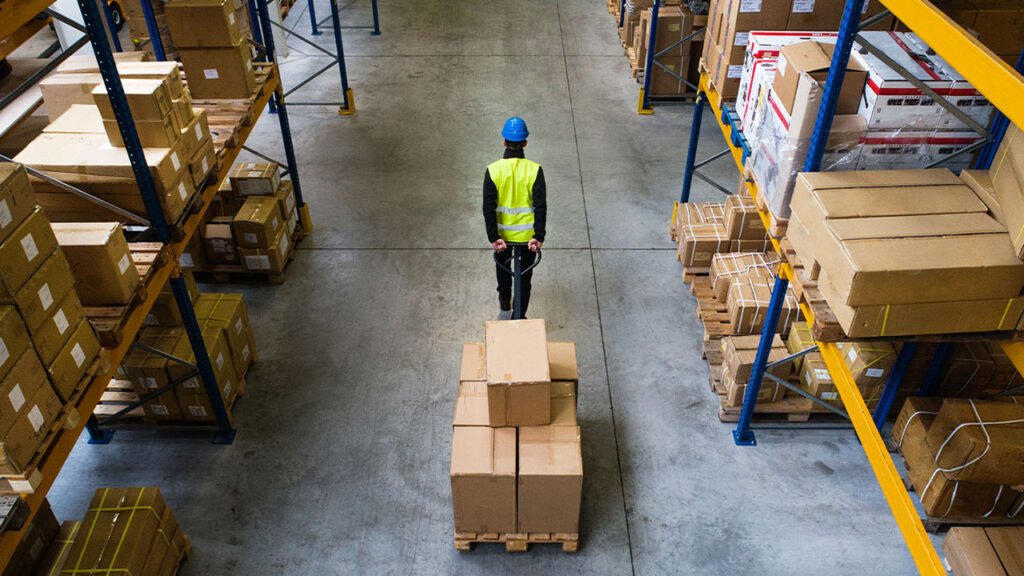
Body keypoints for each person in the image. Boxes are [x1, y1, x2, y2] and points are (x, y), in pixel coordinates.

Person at [483, 116, 547, 320]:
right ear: (525, 143)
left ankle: (504, 300)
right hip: (528, 239)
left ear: (504, 141)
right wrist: (538, 236)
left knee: (503, 270)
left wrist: (494, 237)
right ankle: (519, 315)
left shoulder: (493, 170)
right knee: (524, 278)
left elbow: (488, 207)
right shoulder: (535, 170)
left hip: (503, 236)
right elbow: (540, 206)